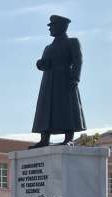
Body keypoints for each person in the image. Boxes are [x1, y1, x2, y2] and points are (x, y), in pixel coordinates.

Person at [30, 15, 86, 148]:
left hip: (64, 79)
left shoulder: (72, 42)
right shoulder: (48, 48)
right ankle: (44, 138)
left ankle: (68, 138)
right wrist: (41, 64)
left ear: (62, 26)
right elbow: (45, 64)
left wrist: (75, 78)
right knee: (45, 109)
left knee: (66, 108)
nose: (50, 29)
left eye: (52, 26)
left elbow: (78, 61)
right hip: (48, 82)